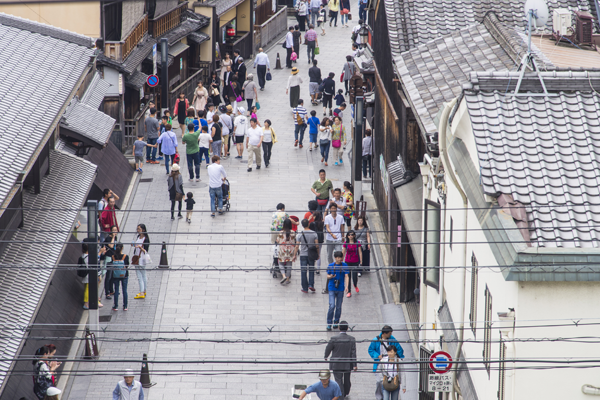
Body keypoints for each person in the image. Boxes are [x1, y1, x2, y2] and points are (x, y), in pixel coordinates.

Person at [368, 325, 405, 400]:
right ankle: (379, 397)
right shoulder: (375, 340)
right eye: (390, 333)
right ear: (385, 333)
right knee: (379, 382)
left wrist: (398, 358)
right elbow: (370, 350)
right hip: (380, 364)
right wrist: (377, 356)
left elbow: (399, 349)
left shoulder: (392, 339)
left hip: (392, 362)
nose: (391, 335)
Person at [324, 321, 357, 399]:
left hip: (336, 364)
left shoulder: (334, 338)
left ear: (339, 328)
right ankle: (345, 392)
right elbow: (353, 353)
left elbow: (328, 348)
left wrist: (326, 356)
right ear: (347, 328)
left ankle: (341, 396)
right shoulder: (352, 339)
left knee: (338, 380)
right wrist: (355, 365)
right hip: (347, 364)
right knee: (347, 379)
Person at [326, 251, 349, 329]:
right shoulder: (331, 266)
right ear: (335, 258)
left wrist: (347, 286)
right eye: (338, 258)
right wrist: (331, 276)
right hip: (332, 287)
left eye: (340, 257)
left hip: (340, 288)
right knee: (332, 306)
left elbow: (346, 276)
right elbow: (327, 276)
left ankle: (336, 321)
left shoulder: (345, 265)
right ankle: (329, 323)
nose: (339, 259)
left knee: (338, 306)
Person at [299, 218, 319, 293]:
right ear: (308, 224)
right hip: (311, 255)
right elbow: (317, 245)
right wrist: (318, 254)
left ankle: (305, 288)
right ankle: (311, 285)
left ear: (302, 225)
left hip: (303, 255)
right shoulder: (314, 233)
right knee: (311, 270)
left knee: (303, 271)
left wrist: (294, 255)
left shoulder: (300, 234)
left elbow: (297, 246)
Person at [131, 224, 150, 299]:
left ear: (143, 230)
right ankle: (143, 290)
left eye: (139, 229)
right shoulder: (138, 237)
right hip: (136, 257)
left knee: (142, 275)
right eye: (137, 229)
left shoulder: (146, 239)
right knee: (140, 275)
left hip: (141, 258)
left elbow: (146, 250)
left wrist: (139, 247)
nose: (138, 230)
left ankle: (143, 291)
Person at [276, 218, 297, 285]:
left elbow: (278, 241)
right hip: (290, 251)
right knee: (289, 265)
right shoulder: (293, 232)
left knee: (281, 264)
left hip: (282, 251)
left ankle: (284, 276)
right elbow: (294, 242)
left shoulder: (281, 233)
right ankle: (287, 279)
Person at [101, 225, 119, 299]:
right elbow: (111, 246)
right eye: (113, 230)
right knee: (108, 276)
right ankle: (107, 292)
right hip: (108, 258)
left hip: (113, 258)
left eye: (116, 230)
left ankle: (111, 290)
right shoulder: (109, 238)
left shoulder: (115, 238)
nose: (115, 232)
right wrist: (113, 237)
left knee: (112, 275)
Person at [342, 230, 362, 297]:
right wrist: (341, 261)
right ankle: (349, 291)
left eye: (352, 234)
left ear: (354, 235)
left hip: (355, 262)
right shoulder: (346, 243)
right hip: (347, 262)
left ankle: (355, 285)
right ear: (347, 236)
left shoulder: (357, 243)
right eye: (349, 235)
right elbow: (343, 252)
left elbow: (360, 252)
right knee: (348, 276)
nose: (350, 236)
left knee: (354, 276)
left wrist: (361, 261)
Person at [325, 203, 345, 267]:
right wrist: (332, 234)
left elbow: (342, 227)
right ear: (330, 209)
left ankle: (338, 267)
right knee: (329, 255)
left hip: (338, 238)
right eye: (332, 208)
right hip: (329, 238)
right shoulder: (327, 217)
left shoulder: (341, 217)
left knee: (339, 254)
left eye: (334, 208)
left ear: (336, 209)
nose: (333, 210)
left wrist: (343, 236)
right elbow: (327, 227)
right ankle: (331, 266)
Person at [111, 243, 130, 311]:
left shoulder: (113, 256)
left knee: (116, 290)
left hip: (115, 275)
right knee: (124, 290)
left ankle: (116, 306)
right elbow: (127, 265)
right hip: (124, 275)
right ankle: (125, 306)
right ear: (122, 248)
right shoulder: (125, 256)